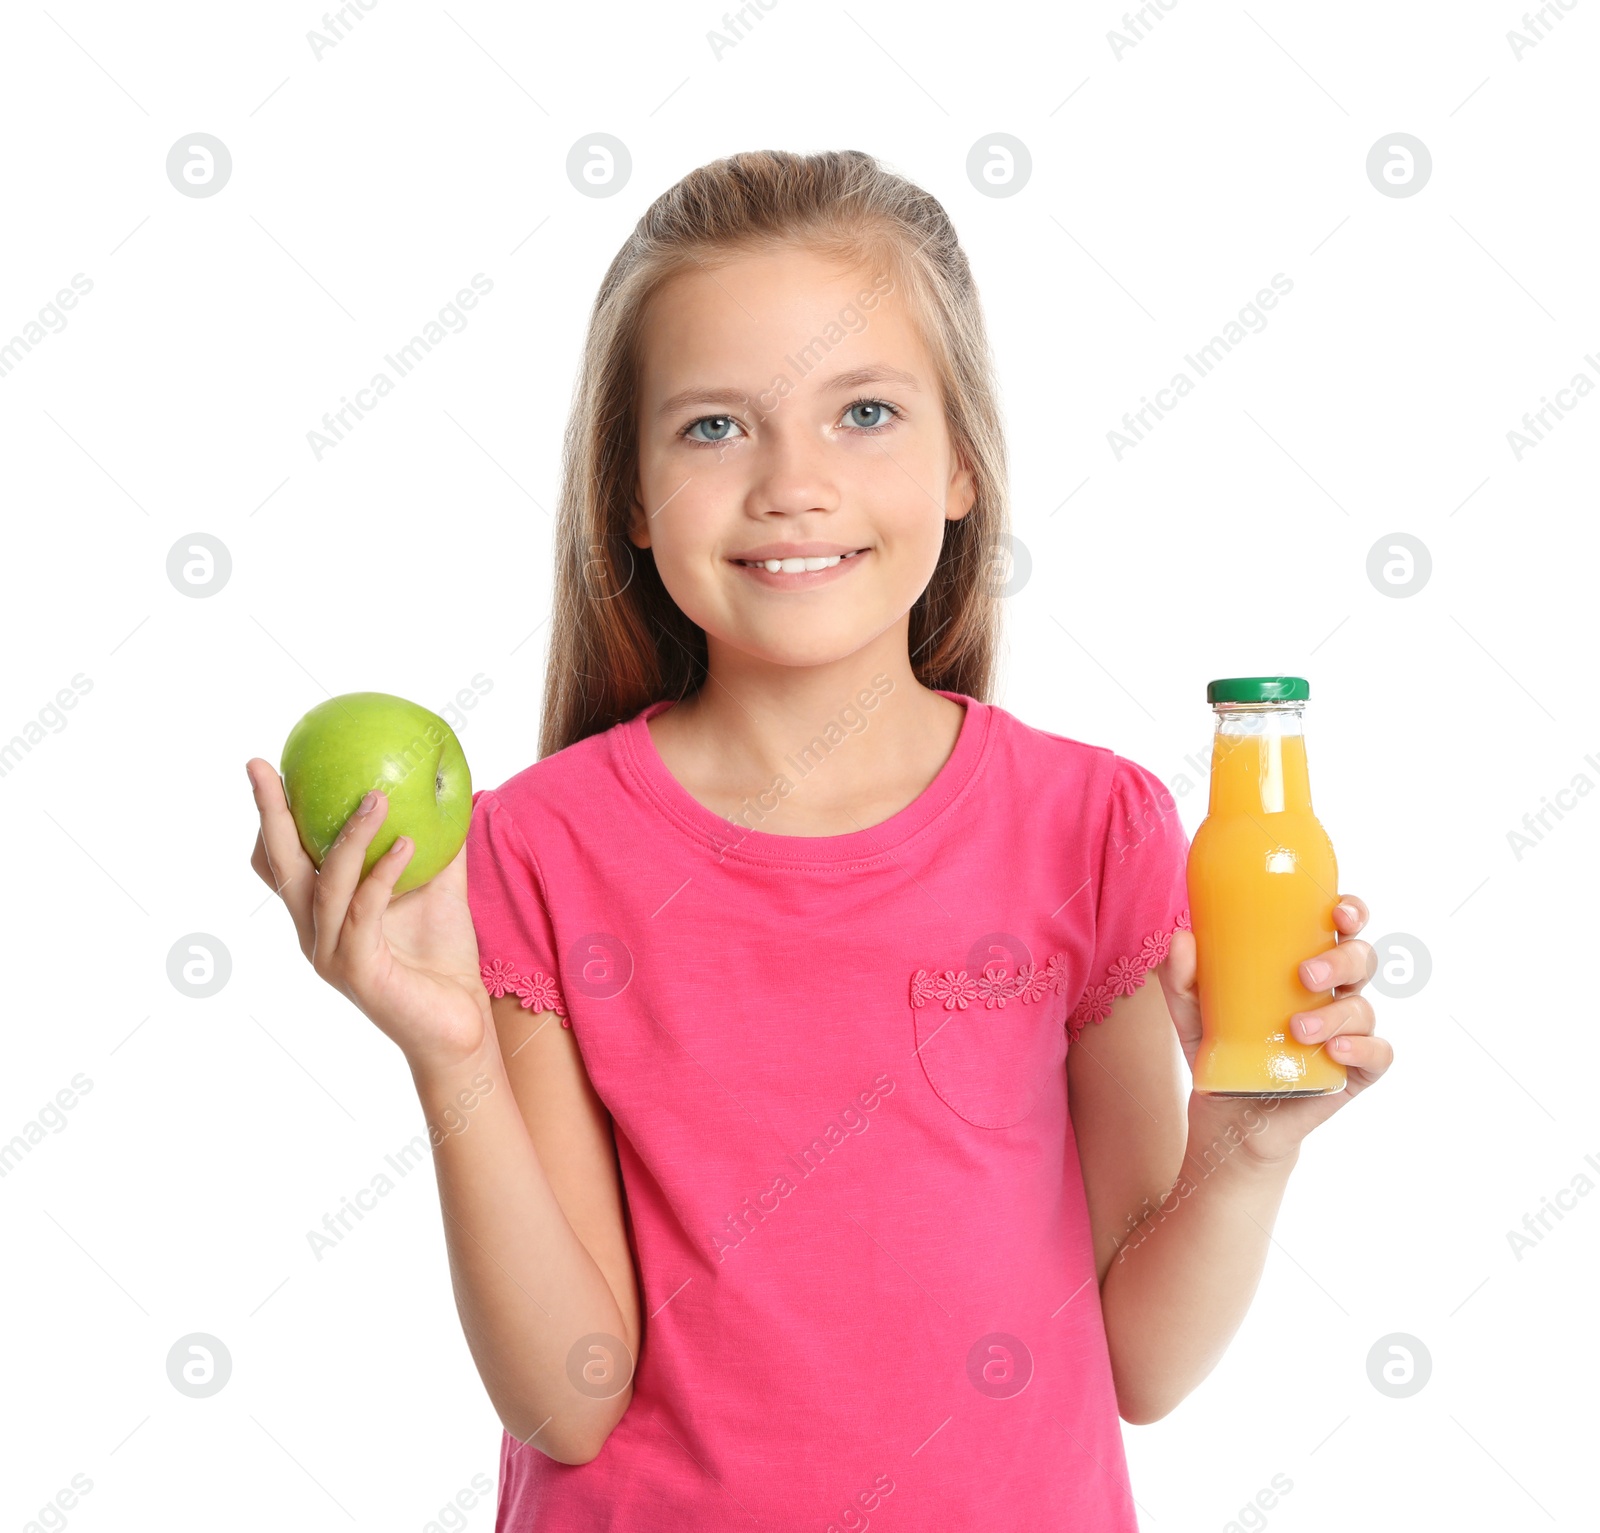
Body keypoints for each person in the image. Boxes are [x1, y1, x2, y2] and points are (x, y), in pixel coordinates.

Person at [245, 147, 1392, 1530]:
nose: (794, 482)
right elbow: (568, 1393)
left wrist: (1245, 1151)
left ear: (964, 463)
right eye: (715, 428)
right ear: (626, 495)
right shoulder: (537, 849)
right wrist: (452, 1056)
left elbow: (1141, 1360)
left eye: (863, 411)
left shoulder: (1092, 827)